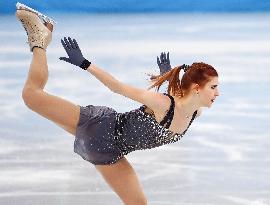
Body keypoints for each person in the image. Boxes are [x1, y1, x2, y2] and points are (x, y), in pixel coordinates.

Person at [15, 3, 220, 205]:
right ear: (196, 88)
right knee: (31, 95)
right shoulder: (162, 103)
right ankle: (39, 41)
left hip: (111, 152)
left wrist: (168, 79)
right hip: (101, 128)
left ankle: (40, 39)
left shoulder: (194, 112)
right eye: (213, 87)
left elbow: (180, 99)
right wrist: (85, 63)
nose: (217, 93)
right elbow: (117, 87)